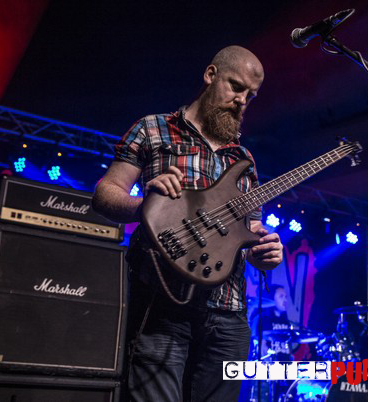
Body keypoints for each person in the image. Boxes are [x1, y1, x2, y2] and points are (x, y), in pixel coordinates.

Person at [92, 45, 283, 402]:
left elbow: (251, 231)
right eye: (236, 87)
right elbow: (105, 194)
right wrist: (146, 207)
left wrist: (263, 251)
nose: (242, 101)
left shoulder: (244, 158)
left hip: (228, 314)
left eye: (251, 96)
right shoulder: (153, 129)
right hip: (163, 304)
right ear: (211, 75)